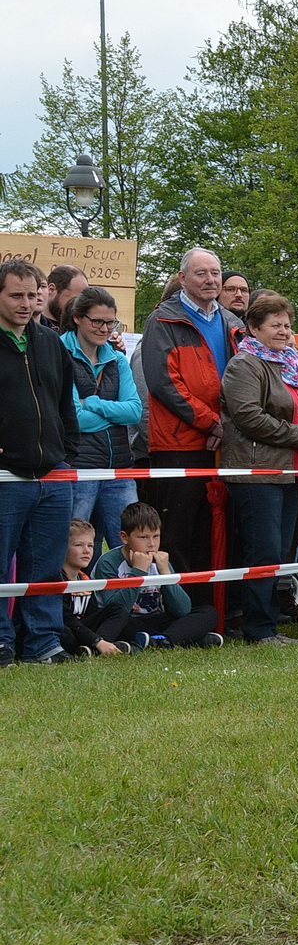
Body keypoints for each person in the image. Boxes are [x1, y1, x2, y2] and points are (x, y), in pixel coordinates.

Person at [140, 248, 243, 604]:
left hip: (226, 444)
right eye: (201, 273)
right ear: (183, 278)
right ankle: (179, 610)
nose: (210, 280)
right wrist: (211, 421)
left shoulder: (234, 323)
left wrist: (230, 424)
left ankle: (215, 609)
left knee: (216, 530)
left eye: (215, 272)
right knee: (179, 533)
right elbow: (164, 384)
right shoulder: (163, 321)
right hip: (178, 444)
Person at [221, 292, 298, 646]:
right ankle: (258, 629)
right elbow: (248, 416)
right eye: (276, 325)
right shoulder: (244, 365)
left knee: (280, 551)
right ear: (254, 328)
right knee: (262, 551)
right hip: (257, 473)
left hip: (291, 473)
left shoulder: (290, 363)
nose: (285, 331)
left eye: (288, 324)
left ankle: (268, 621)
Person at [0, 259, 79, 664]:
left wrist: (67, 453)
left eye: (33, 295)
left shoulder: (51, 342)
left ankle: (43, 643)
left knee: (47, 565)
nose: (26, 304)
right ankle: (1, 643)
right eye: (16, 295)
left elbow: (66, 402)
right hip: (4, 476)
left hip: (54, 471)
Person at [61, 286, 142, 556]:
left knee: (131, 547)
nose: (105, 328)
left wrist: (93, 403)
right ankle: (72, 599)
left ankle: (121, 599)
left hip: (119, 468)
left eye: (110, 322)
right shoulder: (60, 353)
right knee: (73, 548)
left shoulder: (118, 358)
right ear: (77, 317)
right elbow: (74, 419)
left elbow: (134, 412)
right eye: (97, 321)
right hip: (78, 467)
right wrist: (113, 414)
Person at [92, 502, 222, 649]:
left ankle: (163, 641)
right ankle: (184, 639)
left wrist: (165, 573)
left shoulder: (161, 560)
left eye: (156, 536)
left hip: (156, 619)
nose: (152, 544)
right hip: (126, 621)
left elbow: (182, 609)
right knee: (122, 623)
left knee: (208, 613)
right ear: (124, 537)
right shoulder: (108, 562)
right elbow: (116, 609)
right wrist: (138, 572)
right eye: (143, 537)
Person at [59, 519, 134, 656]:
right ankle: (98, 646)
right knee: (63, 630)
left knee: (118, 610)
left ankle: (95, 648)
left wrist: (97, 638)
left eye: (90, 545)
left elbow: (93, 614)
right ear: (63, 547)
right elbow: (66, 618)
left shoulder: (85, 578)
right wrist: (96, 640)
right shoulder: (58, 579)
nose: (86, 551)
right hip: (67, 628)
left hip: (82, 629)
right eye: (79, 545)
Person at [45, 264, 88, 330]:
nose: (78, 307)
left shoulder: (79, 330)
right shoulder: (31, 327)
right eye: (73, 300)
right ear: (51, 289)